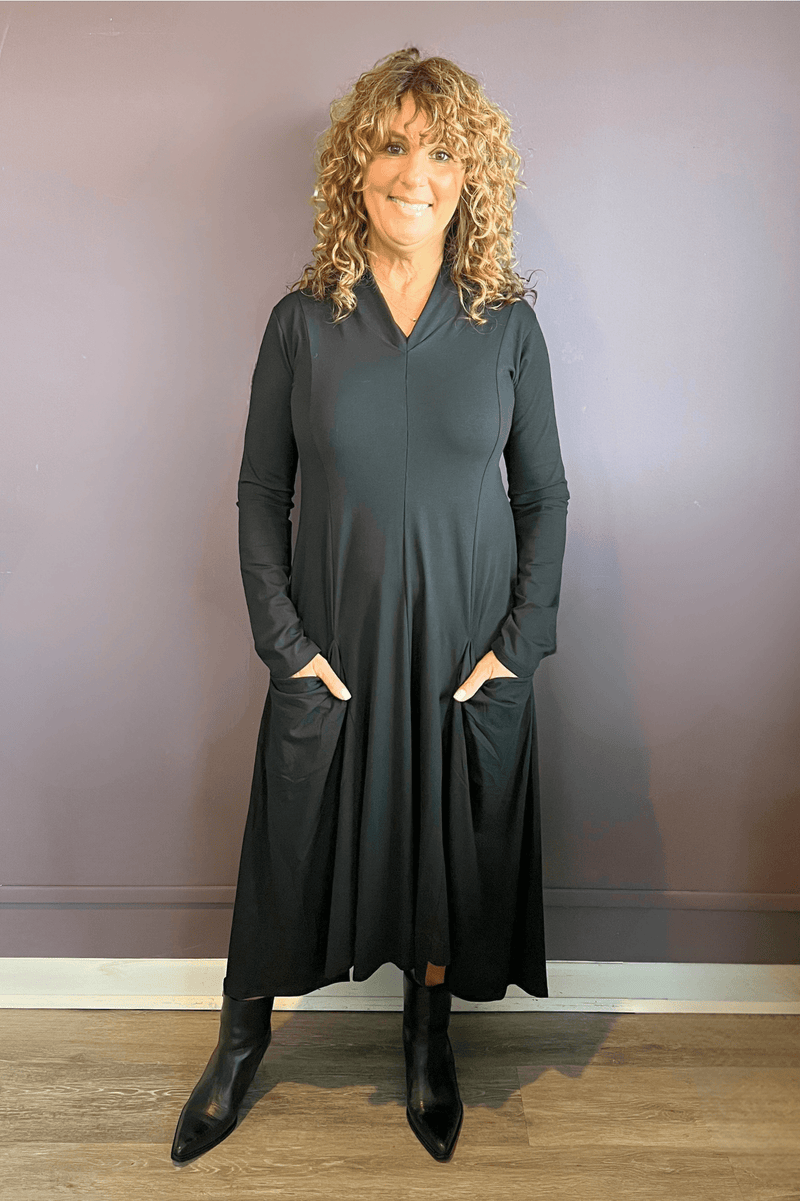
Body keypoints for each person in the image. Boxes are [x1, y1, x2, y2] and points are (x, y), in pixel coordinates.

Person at [172, 46, 569, 1167]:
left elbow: (543, 495)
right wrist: (283, 644)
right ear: (357, 163)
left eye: (441, 153)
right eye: (393, 146)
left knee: (445, 854)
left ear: (470, 176)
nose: (415, 173)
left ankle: (426, 1038)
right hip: (331, 652)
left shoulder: (507, 327)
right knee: (289, 848)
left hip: (461, 656)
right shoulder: (301, 323)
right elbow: (262, 491)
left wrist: (520, 647)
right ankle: (239, 1043)